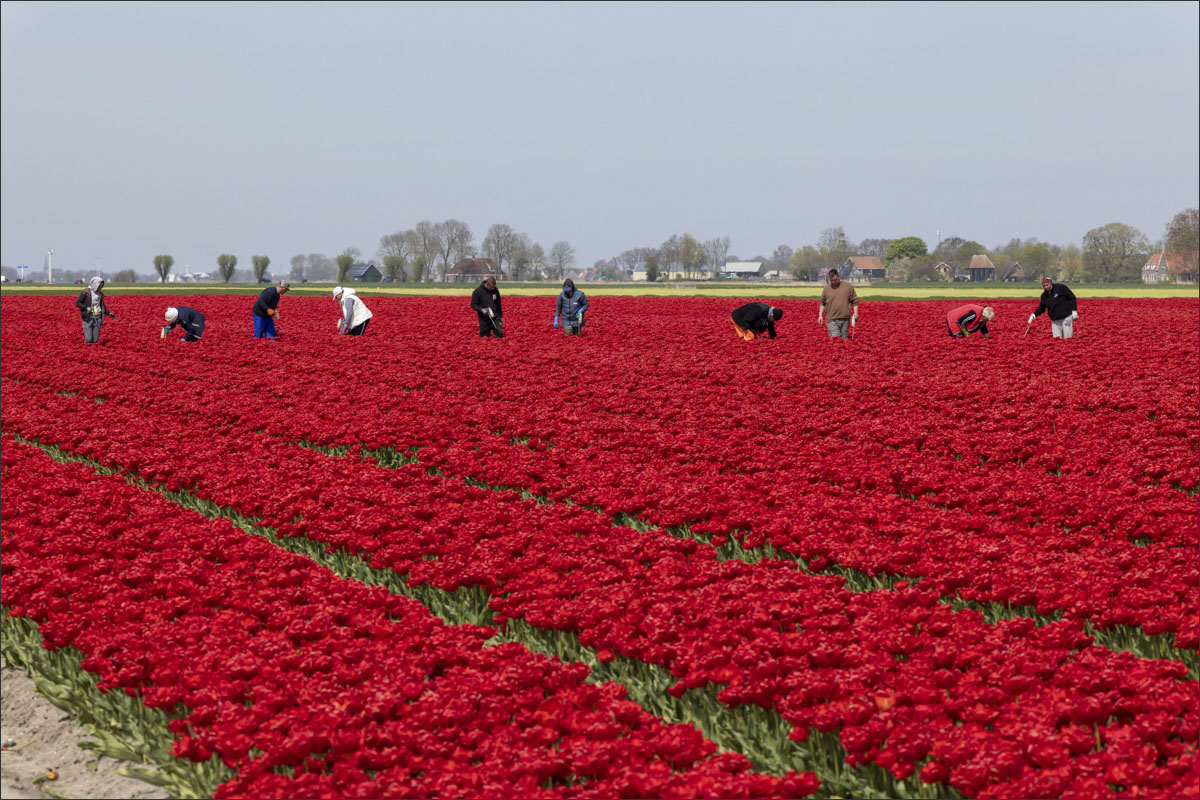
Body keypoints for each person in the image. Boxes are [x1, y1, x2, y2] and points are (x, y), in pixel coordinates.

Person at [817, 269, 859, 339]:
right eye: (831, 281)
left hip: (845, 319)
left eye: (835, 280)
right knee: (835, 338)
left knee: (844, 338)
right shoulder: (826, 288)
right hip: (832, 319)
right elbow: (822, 303)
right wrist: (820, 315)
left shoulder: (848, 287)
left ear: (838, 276)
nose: (833, 282)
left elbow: (855, 301)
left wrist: (856, 313)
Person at [74, 277, 116, 344]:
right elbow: (78, 303)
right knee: (89, 339)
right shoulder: (86, 292)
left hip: (97, 318)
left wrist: (109, 313)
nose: (100, 288)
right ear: (95, 284)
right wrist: (87, 308)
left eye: (102, 287)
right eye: (99, 286)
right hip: (88, 318)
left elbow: (102, 307)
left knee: (95, 340)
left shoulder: (100, 294)